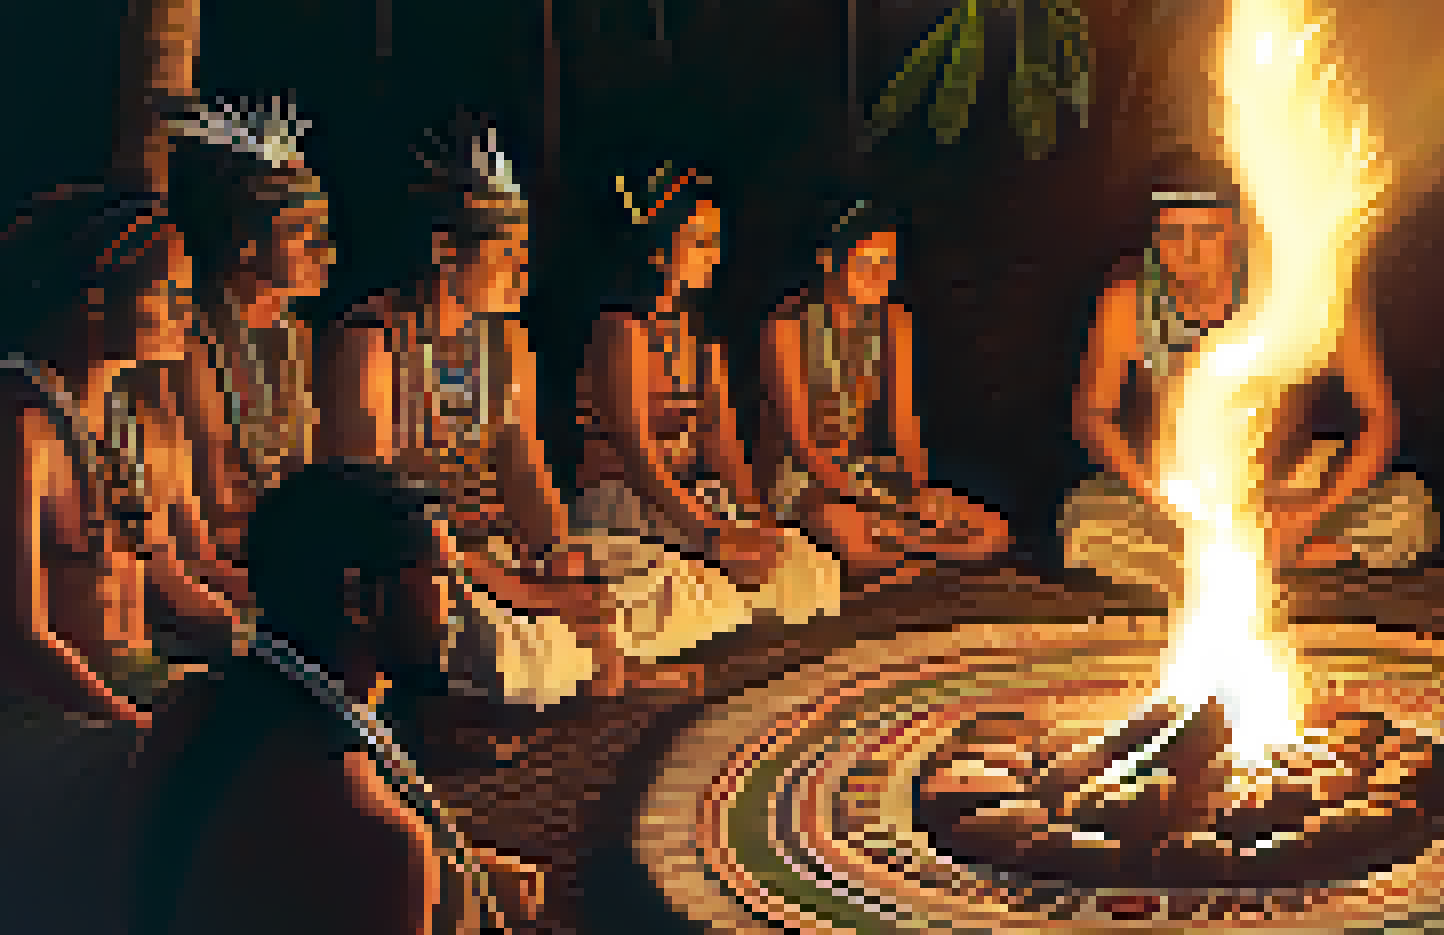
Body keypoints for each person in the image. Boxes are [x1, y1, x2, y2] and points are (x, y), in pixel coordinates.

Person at [121, 459, 735, 935]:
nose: (455, 604)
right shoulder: (367, 828)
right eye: (440, 577)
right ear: (362, 600)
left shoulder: (189, 707)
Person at [0, 183, 248, 935]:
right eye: (168, 291)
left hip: (137, 682)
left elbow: (167, 581)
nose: (186, 311)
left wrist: (271, 645)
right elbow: (18, 642)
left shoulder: (121, 419)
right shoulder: (19, 428)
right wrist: (141, 727)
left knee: (299, 722)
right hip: (44, 714)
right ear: (93, 298)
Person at [319, 114, 625, 709]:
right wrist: (525, 593)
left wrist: (562, 566)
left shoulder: (507, 341)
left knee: (619, 599)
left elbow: (526, 474)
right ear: (444, 251)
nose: (523, 273)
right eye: (507, 255)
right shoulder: (370, 343)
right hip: (418, 573)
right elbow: (376, 516)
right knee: (511, 655)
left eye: (526, 254)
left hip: (497, 558)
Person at [1062, 151, 1436, 598]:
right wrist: (1159, 498)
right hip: (1179, 504)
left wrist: (1309, 515)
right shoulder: (1129, 304)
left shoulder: (1307, 295)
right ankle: (1284, 565)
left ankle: (1247, 562)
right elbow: (1093, 416)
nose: (1189, 252)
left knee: (1409, 511)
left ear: (1237, 232)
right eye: (1173, 234)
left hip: (1292, 490)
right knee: (1085, 523)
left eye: (1206, 233)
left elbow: (1379, 418)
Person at [568, 160, 841, 661]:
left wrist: (757, 519)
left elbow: (722, 442)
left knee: (807, 569)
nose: (714, 255)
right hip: (626, 506)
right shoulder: (620, 332)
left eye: (715, 242)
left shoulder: (701, 339)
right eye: (699, 242)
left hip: (690, 501)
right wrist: (711, 535)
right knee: (689, 591)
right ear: (657, 251)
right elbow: (639, 461)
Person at [758, 196, 1011, 593]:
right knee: (853, 541)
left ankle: (904, 550)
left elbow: (904, 424)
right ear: (829, 261)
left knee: (992, 531)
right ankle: (902, 553)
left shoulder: (894, 321)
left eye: (888, 263)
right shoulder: (787, 327)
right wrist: (864, 500)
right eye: (866, 264)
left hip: (868, 473)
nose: (880, 276)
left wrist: (916, 491)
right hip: (805, 481)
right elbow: (801, 444)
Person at [150, 94, 337, 609]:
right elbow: (208, 507)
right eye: (302, 232)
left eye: (324, 231)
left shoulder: (297, 338)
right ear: (244, 242)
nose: (325, 251)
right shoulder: (187, 343)